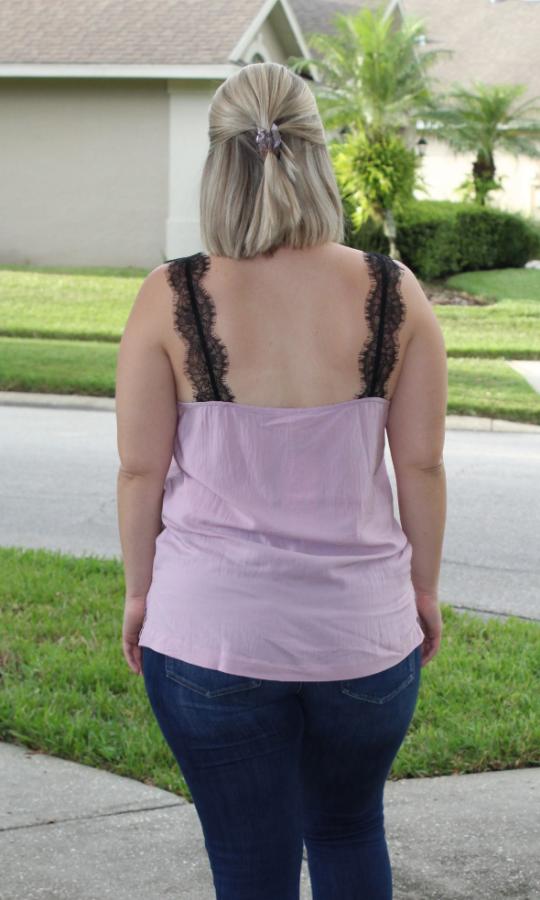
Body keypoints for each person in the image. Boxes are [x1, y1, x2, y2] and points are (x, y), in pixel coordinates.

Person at [115, 61, 447, 900]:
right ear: (317, 154)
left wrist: (138, 593)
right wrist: (425, 589)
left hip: (209, 638)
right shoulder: (395, 294)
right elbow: (420, 464)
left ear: (218, 163)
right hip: (364, 635)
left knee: (249, 863)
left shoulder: (170, 296)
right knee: (347, 830)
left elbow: (139, 468)